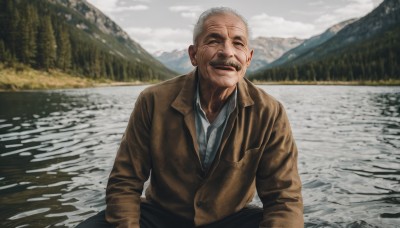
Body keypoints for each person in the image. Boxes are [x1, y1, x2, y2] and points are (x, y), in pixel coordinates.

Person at [77, 6, 303, 228]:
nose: (227, 52)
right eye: (214, 41)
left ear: (248, 58)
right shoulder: (152, 101)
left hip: (230, 219)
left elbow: (283, 198)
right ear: (193, 55)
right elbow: (125, 182)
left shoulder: (270, 112)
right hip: (161, 216)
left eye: (238, 43)